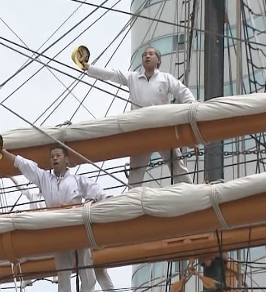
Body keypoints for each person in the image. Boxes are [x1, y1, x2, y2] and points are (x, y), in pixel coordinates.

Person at [0, 142, 106, 292]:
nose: (54, 158)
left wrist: (103, 200)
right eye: (52, 156)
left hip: (75, 224)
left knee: (85, 260)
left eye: (58, 155)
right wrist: (4, 153)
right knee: (62, 267)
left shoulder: (77, 180)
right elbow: (27, 166)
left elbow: (95, 190)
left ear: (67, 160)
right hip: (56, 227)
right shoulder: (45, 179)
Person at [79, 46, 196, 187]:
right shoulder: (133, 77)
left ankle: (191, 190)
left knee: (177, 164)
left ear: (158, 60)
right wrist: (89, 68)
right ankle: (131, 200)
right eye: (145, 54)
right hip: (141, 130)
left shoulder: (165, 78)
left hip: (162, 128)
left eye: (151, 54)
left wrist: (193, 108)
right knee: (136, 171)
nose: (147, 56)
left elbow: (182, 91)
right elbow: (112, 74)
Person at [8, 177, 123, 292]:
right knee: (81, 265)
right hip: (53, 234)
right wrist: (12, 178)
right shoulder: (37, 196)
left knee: (91, 266)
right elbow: (23, 188)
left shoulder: (59, 195)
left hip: (74, 231)